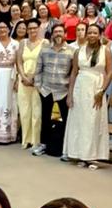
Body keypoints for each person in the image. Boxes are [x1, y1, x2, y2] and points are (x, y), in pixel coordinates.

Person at [63, 23, 112, 169]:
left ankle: (92, 156)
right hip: (80, 87)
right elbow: (73, 73)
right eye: (89, 32)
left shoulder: (105, 50)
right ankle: (79, 154)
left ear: (100, 35)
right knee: (79, 121)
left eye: (95, 33)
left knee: (93, 122)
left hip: (96, 87)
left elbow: (110, 72)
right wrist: (70, 94)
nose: (91, 35)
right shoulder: (79, 51)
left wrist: (102, 91)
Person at [34, 24, 74, 158]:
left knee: (62, 121)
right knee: (46, 119)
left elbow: (73, 72)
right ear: (52, 34)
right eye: (55, 32)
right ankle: (43, 144)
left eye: (60, 31)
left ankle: (61, 148)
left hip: (62, 92)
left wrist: (70, 91)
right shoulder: (44, 50)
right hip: (46, 91)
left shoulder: (72, 51)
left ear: (65, 34)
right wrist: (39, 86)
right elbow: (38, 69)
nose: (58, 34)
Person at [15, 20, 44, 149]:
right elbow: (19, 61)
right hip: (24, 80)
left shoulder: (44, 43)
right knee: (24, 111)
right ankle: (25, 140)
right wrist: (23, 76)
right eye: (30, 28)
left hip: (37, 81)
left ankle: (35, 140)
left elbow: (44, 62)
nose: (32, 31)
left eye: (34, 28)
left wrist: (33, 77)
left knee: (36, 112)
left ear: (39, 29)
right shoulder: (23, 42)